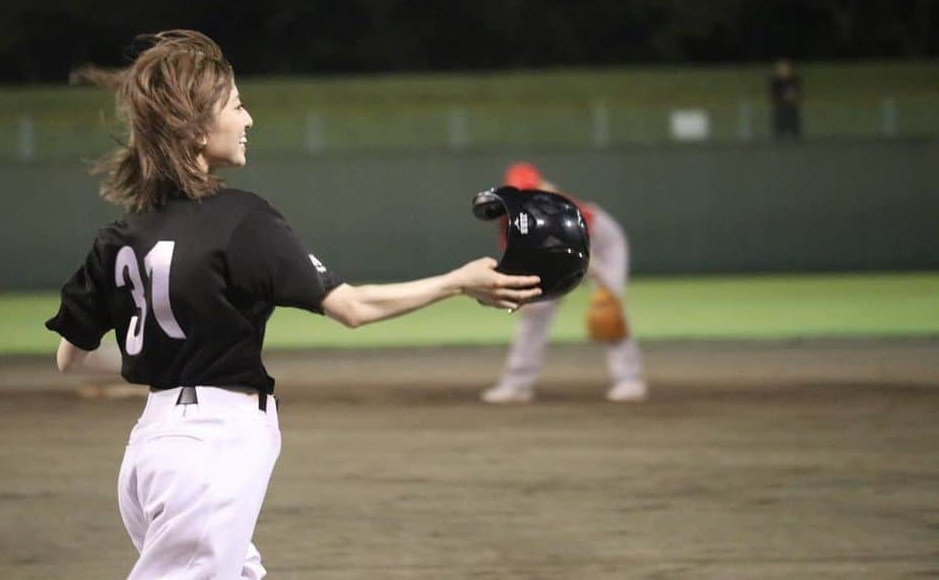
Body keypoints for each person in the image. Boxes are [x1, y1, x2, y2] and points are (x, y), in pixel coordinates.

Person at [45, 30, 541, 580]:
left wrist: (167, 362)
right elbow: (352, 307)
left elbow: (73, 358)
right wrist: (457, 281)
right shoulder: (239, 218)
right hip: (209, 447)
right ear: (193, 127)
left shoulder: (119, 235)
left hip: (150, 451)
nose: (248, 118)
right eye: (235, 105)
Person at [481, 162, 648, 404]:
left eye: (529, 190)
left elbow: (579, 248)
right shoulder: (508, 219)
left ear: (540, 187)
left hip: (602, 244)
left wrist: (602, 282)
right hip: (556, 255)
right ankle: (517, 385)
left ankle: (630, 380)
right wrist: (521, 293)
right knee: (535, 312)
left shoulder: (558, 208)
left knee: (609, 307)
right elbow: (515, 260)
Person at [769, 58, 803, 139]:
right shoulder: (775, 81)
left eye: (785, 68)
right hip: (780, 105)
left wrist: (793, 96)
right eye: (781, 68)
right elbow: (774, 94)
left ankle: (795, 135)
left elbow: (798, 91)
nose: (783, 70)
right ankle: (779, 136)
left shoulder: (794, 79)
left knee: (794, 120)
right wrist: (783, 96)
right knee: (779, 120)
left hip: (792, 104)